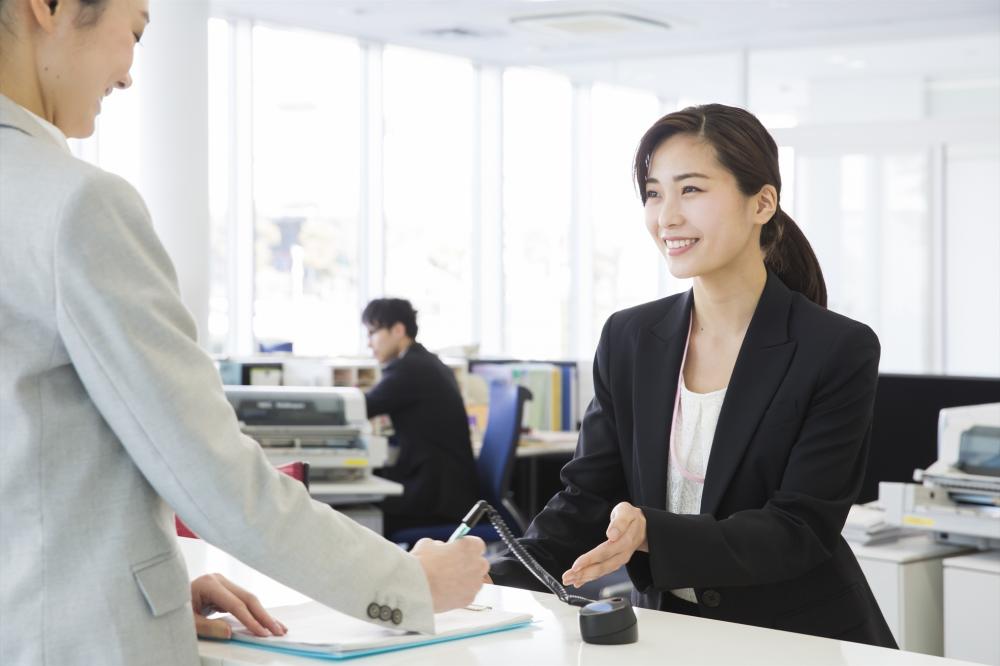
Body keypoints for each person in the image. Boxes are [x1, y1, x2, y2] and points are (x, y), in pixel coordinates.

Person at [0, 1, 488, 663]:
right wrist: (409, 582)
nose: (130, 75)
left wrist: (147, 585)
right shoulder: (75, 203)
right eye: (135, 31)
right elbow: (214, 477)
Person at [488, 103, 897, 648]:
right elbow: (588, 498)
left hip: (798, 637)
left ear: (763, 202)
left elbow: (798, 529)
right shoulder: (630, 338)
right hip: (663, 634)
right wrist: (490, 577)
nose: (667, 216)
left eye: (692, 190)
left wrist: (652, 532)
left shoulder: (836, 348)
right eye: (654, 193)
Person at [362, 298, 482, 535]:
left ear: (398, 330)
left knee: (358, 512)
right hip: (447, 491)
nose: (369, 343)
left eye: (373, 332)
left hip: (436, 499)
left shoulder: (410, 369)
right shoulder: (425, 362)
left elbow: (363, 407)